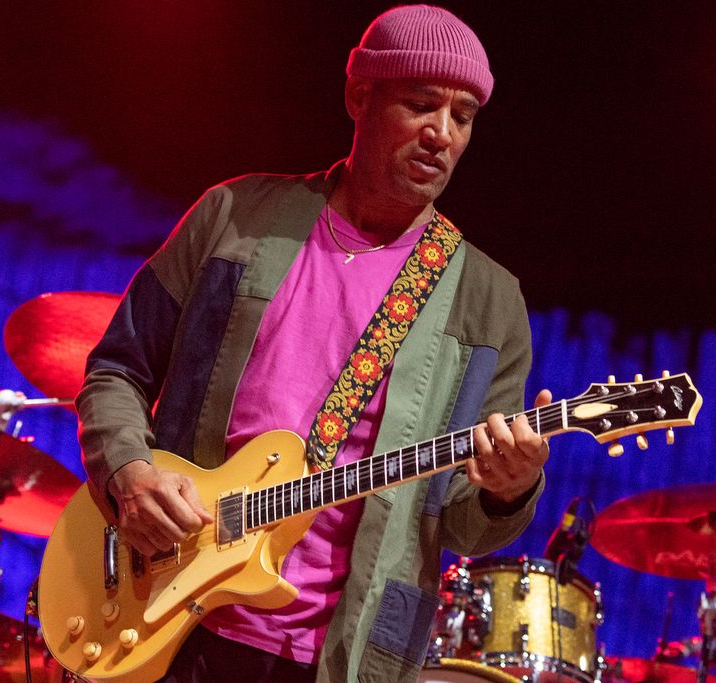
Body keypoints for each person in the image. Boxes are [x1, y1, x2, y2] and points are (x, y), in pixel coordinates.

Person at [76, 5, 550, 682]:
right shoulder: (235, 217)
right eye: (421, 105)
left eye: (463, 116)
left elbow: (473, 528)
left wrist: (511, 488)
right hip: (165, 615)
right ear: (361, 96)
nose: (442, 135)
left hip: (344, 657)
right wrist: (130, 473)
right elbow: (116, 369)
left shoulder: (490, 302)